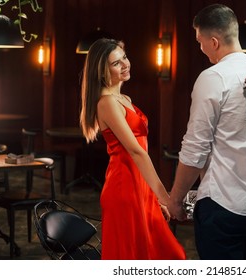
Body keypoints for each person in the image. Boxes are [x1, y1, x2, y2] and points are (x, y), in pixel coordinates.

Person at [167, 4, 246, 260]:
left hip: (222, 203)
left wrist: (175, 198)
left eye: (200, 41)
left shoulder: (213, 77)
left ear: (214, 41)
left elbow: (195, 147)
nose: (200, 48)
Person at [79, 38, 186, 260]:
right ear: (102, 71)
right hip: (123, 189)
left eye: (124, 57)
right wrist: (166, 197)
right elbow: (136, 152)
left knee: (166, 255)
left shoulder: (124, 99)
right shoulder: (106, 102)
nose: (125, 64)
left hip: (140, 185)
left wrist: (153, 198)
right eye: (116, 63)